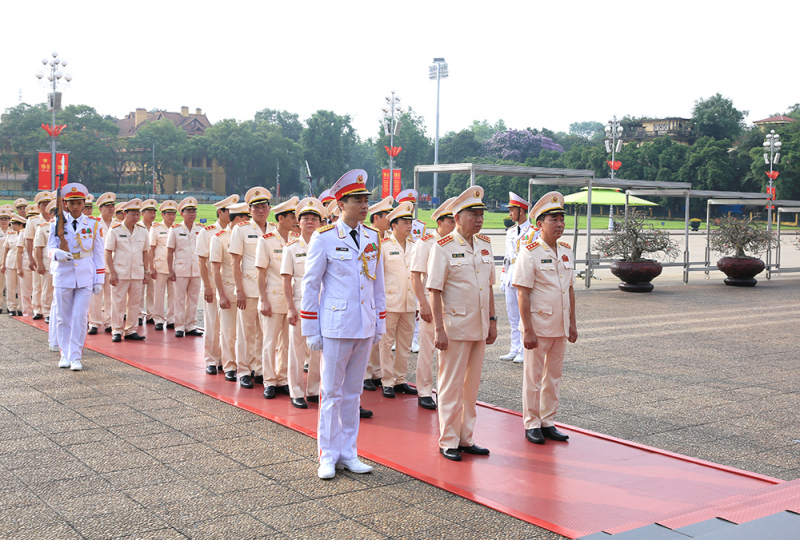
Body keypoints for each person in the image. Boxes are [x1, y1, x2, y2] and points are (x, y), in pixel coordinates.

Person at [301, 169, 386, 479]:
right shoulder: (324, 238)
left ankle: (349, 452)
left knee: (353, 394)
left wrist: (379, 322)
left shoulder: (372, 236)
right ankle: (327, 454)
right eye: (357, 200)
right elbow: (311, 284)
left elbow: (377, 284)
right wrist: (311, 328)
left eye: (365, 200)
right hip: (336, 326)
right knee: (331, 393)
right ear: (340, 204)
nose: (364, 206)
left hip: (363, 324)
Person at [427, 186, 497, 462]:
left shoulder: (485, 245)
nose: (479, 219)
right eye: (473, 214)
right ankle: (448, 440)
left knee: (471, 386)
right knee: (450, 385)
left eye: (481, 214)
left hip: (479, 326)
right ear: (457, 218)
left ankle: (466, 438)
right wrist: (438, 329)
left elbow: (488, 287)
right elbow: (434, 290)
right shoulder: (443, 247)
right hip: (454, 327)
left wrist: (492, 320)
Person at [513, 191, 578, 445]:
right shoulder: (529, 252)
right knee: (533, 378)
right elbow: (522, 293)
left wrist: (572, 323)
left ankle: (548, 421)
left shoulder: (566, 251)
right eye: (553, 219)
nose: (560, 224)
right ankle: (531, 423)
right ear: (540, 224)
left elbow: (569, 290)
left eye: (561, 219)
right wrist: (527, 329)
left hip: (560, 325)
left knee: (553, 377)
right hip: (538, 326)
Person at [47, 183, 105, 371]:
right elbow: (50, 248)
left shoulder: (93, 224)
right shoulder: (56, 224)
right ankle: (65, 353)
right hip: (63, 274)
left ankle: (76, 356)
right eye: (71, 203)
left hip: (85, 275)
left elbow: (98, 254)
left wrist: (99, 279)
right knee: (63, 317)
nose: (75, 206)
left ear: (83, 204)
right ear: (65, 204)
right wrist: (56, 253)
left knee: (80, 317)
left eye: (79, 203)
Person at [410, 196, 456, 410]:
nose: (454, 225)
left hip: (452, 306)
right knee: (428, 350)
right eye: (450, 221)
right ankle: (425, 391)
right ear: (439, 222)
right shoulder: (426, 243)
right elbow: (415, 276)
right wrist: (423, 304)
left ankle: (445, 391)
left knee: (450, 351)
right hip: (431, 303)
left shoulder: (456, 243)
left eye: (455, 221)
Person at [229, 187, 273, 389]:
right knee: (245, 332)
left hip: (269, 290)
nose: (261, 211)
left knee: (264, 333)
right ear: (250, 210)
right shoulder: (241, 229)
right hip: (247, 289)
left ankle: (260, 369)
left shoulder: (274, 230)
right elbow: (234, 262)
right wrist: (239, 290)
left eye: (264, 207)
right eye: (256, 208)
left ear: (269, 208)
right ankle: (244, 371)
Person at [281, 197, 323, 408]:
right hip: (298, 305)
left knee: (317, 351)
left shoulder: (325, 246)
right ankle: (296, 391)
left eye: (314, 218)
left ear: (320, 222)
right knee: (296, 350)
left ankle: (314, 390)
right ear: (298, 222)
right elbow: (286, 281)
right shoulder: (290, 248)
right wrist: (290, 307)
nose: (310, 222)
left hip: (320, 306)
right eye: (305, 218)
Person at [256, 196, 299, 399]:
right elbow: (261, 273)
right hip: (272, 298)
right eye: (292, 217)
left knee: (287, 343)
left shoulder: (295, 240)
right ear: (281, 219)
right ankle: (269, 380)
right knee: (270, 341)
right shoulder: (266, 241)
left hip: (291, 299)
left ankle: (283, 379)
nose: (296, 220)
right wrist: (263, 299)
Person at [378, 201, 418, 399]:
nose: (409, 226)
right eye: (405, 223)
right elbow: (378, 278)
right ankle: (387, 381)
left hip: (409, 303)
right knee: (385, 344)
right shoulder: (384, 246)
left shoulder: (415, 246)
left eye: (410, 222)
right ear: (394, 225)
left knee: (405, 344)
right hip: (390, 303)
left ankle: (400, 379)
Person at [197, 194, 239, 375]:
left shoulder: (237, 231)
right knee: (213, 323)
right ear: (220, 212)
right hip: (213, 284)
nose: (232, 214)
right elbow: (201, 261)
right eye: (229, 211)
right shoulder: (207, 232)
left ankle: (225, 359)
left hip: (230, 284)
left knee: (229, 326)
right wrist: (207, 286)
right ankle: (212, 360)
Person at [210, 202, 251, 381]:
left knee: (247, 332)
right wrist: (221, 294)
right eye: (246, 219)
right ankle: (229, 366)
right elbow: (215, 269)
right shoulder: (219, 238)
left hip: (247, 291)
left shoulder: (249, 236)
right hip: (228, 290)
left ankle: (248, 365)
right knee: (228, 331)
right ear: (237, 219)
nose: (248, 222)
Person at [105, 199, 150, 342]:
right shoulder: (115, 230)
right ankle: (117, 330)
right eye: (133, 214)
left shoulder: (142, 230)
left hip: (137, 272)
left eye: (138, 214)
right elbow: (108, 252)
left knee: (135, 304)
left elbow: (145, 252)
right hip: (120, 272)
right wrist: (112, 272)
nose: (136, 217)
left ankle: (131, 330)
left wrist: (146, 272)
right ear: (125, 214)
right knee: (118, 303)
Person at [362, 195, 393, 391]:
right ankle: (365, 373)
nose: (390, 219)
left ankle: (376, 372)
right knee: (366, 335)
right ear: (376, 217)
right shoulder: (367, 237)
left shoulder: (388, 240)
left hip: (385, 295)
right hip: (368, 295)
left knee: (379, 336)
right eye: (387, 215)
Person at [500, 192, 533, 363]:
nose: (510, 214)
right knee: (512, 316)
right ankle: (514, 348)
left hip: (524, 276)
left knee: (523, 315)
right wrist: (503, 278)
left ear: (521, 211)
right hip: (510, 274)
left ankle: (523, 349)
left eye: (512, 210)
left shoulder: (533, 232)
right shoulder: (511, 231)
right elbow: (507, 256)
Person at [167, 197, 204, 338]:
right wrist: (170, 270)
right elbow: (170, 251)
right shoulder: (175, 230)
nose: (192, 214)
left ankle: (190, 326)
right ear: (182, 213)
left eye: (193, 211)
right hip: (181, 270)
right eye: (188, 211)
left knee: (193, 299)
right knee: (179, 299)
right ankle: (179, 326)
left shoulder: (200, 229)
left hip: (196, 270)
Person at [396, 189, 425, 352]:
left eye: (412, 204)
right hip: (397, 266)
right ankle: (395, 339)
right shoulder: (393, 222)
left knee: (414, 308)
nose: (410, 207)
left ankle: (413, 339)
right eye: (406, 205)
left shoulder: (420, 225)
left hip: (413, 265)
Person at [88, 193, 116, 334]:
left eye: (112, 206)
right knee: (95, 296)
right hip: (97, 265)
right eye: (107, 206)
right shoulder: (93, 223)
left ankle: (109, 322)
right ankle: (94, 322)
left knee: (111, 296)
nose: (111, 209)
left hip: (113, 265)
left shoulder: (118, 225)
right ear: (100, 208)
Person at [25, 191, 54, 320]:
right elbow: (29, 240)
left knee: (50, 286)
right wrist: (31, 259)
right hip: (38, 257)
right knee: (37, 284)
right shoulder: (33, 221)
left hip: (51, 259)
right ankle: (37, 309)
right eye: (43, 204)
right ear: (38, 206)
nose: (46, 206)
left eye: (48, 204)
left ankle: (48, 308)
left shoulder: (56, 219)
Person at [150, 200, 177, 331]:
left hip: (175, 267)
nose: (171, 216)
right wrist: (151, 267)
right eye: (169, 214)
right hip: (160, 266)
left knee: (174, 295)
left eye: (173, 214)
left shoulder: (177, 229)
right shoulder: (156, 229)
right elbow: (151, 249)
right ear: (163, 215)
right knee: (158, 295)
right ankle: (158, 319)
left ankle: (172, 319)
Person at [34, 200, 57, 324]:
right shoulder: (43, 228)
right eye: (54, 212)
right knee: (47, 289)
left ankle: (58, 312)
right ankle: (47, 312)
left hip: (63, 264)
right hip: (48, 263)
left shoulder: (67, 226)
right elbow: (38, 248)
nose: (57, 215)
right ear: (50, 214)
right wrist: (39, 264)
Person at [1, 213, 26, 316]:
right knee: (10, 287)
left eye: (15, 224)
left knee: (21, 287)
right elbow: (5, 250)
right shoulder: (10, 234)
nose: (12, 226)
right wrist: (3, 264)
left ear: (21, 224)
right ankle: (11, 308)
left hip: (22, 263)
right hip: (10, 262)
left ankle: (21, 308)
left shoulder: (25, 234)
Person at [138, 199, 158, 325]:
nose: (152, 215)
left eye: (153, 212)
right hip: (139, 262)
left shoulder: (157, 227)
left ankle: (151, 314)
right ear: (142, 213)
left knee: (152, 290)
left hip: (154, 263)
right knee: (139, 290)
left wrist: (152, 266)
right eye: (149, 212)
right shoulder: (137, 227)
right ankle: (139, 314)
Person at [0, 208, 9, 313]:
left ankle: (11, 307)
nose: (3, 221)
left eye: (6, 219)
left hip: (11, 262)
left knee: (11, 286)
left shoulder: (13, 231)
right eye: (1, 219)